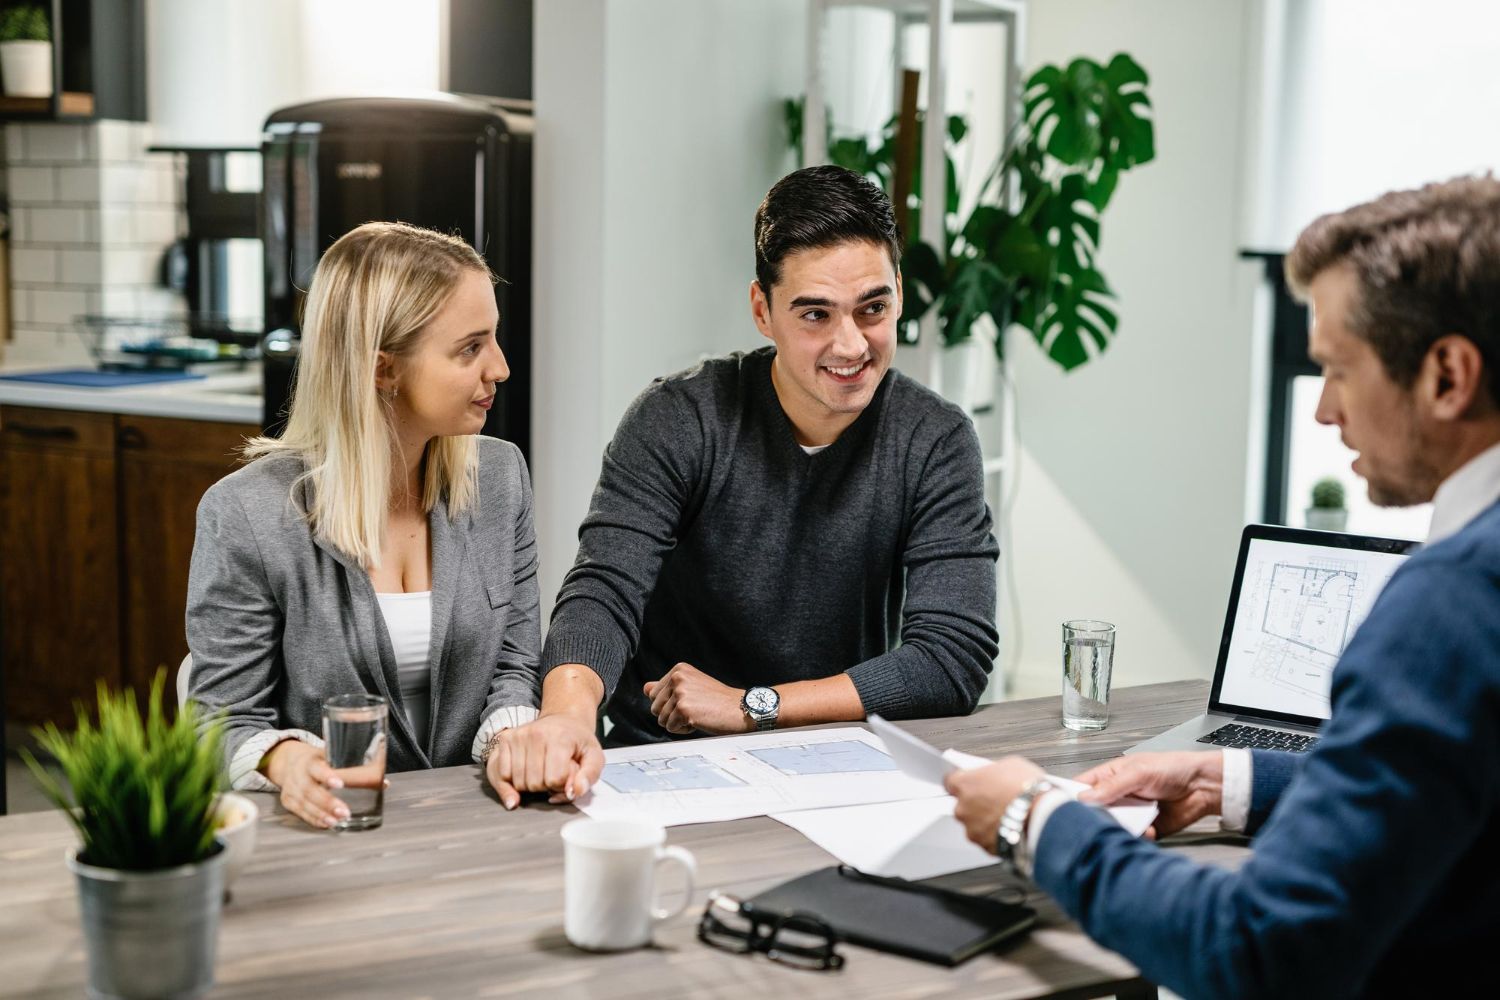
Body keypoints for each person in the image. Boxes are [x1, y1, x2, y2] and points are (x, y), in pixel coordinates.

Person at [945, 175, 1500, 997]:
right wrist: (1226, 779)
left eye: (1338, 371)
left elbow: (1259, 952)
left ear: (1448, 375)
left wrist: (1038, 822)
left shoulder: (1451, 604)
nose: (1322, 413)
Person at [484, 165, 1000, 808]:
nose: (851, 344)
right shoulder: (679, 419)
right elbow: (604, 590)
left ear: (899, 291)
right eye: (815, 314)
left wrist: (753, 707)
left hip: (839, 765)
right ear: (763, 310)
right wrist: (565, 713)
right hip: (666, 762)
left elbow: (951, 657)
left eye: (873, 308)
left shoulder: (935, 439)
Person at [187, 222, 541, 829]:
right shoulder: (244, 514)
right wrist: (285, 759)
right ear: (383, 370)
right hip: (330, 830)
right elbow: (220, 720)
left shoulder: (500, 478)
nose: (501, 368)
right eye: (470, 348)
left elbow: (515, 665)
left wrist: (512, 740)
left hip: (482, 822)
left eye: (496, 340)